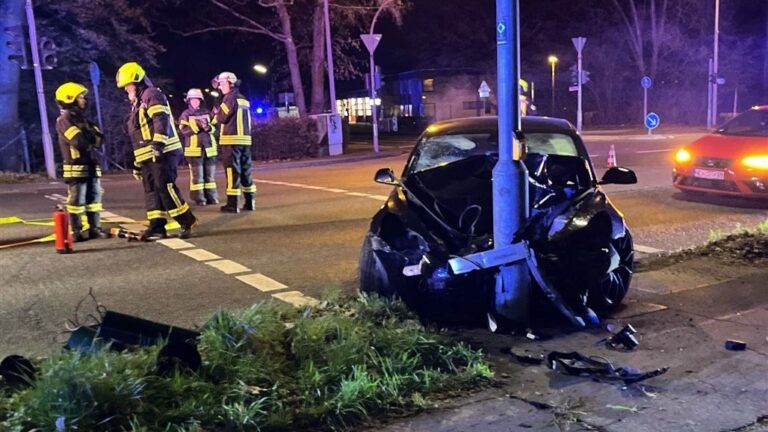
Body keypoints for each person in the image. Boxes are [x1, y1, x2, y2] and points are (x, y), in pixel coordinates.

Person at [115, 62, 197, 239]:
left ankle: (186, 220)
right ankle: (157, 226)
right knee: (151, 189)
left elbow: (160, 119)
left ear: (137, 81)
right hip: (148, 155)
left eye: (128, 85)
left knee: (165, 186)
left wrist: (158, 145)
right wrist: (138, 163)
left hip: (164, 151)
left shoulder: (152, 94)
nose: (126, 89)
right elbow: (139, 135)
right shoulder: (138, 102)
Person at [54, 82, 109, 241]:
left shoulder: (83, 119)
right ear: (70, 98)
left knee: (95, 198)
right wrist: (90, 137)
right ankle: (77, 232)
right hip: (76, 168)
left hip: (90, 166)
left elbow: (100, 139)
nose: (84, 100)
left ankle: (95, 229)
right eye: (80, 97)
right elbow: (79, 142)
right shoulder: (63, 120)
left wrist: (89, 137)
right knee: (77, 200)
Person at [212, 72, 255, 213]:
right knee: (246, 172)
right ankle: (250, 202)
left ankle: (232, 204)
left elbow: (222, 118)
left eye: (221, 84)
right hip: (245, 141)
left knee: (232, 172)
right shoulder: (244, 98)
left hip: (231, 141)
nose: (219, 87)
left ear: (229, 83)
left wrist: (216, 114)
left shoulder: (229, 98)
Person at [179, 88, 218, 206]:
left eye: (197, 100)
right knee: (198, 177)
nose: (195, 102)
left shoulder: (208, 112)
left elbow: (216, 128)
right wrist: (197, 127)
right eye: (193, 100)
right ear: (189, 101)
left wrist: (209, 128)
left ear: (201, 101)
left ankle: (211, 197)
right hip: (194, 150)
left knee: (210, 177)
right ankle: (199, 198)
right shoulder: (185, 114)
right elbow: (183, 131)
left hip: (209, 149)